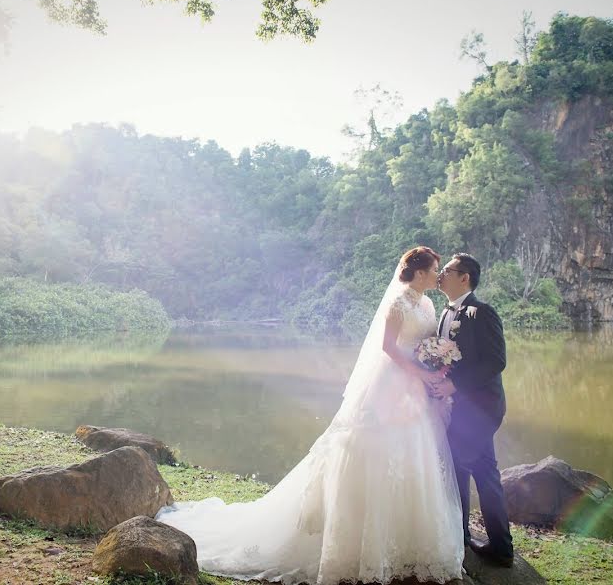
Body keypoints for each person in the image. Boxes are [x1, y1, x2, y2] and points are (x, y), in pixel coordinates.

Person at [156, 246, 464, 584]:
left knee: (414, 454)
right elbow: (389, 348)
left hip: (414, 391)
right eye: (436, 269)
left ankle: (409, 545)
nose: (438, 276)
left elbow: (426, 341)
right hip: (391, 386)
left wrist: (434, 362)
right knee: (375, 453)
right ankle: (364, 548)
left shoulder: (428, 303)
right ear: (420, 272)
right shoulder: (397, 304)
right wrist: (420, 372)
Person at [432, 253, 514, 567]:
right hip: (459, 407)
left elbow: (496, 361)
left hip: (480, 408)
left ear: (464, 277)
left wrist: (455, 386)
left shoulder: (482, 312)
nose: (441, 275)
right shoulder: (444, 313)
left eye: (447, 271)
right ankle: (501, 548)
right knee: (485, 472)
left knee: (457, 468)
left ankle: (460, 537)